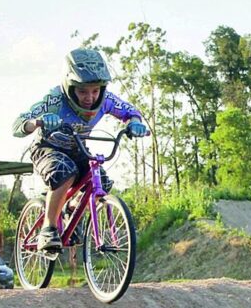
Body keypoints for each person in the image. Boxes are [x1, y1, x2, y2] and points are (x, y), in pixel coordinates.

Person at [12, 48, 149, 251]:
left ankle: (70, 208)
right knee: (64, 171)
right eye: (83, 91)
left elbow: (130, 111)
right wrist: (39, 122)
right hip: (47, 149)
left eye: (95, 91)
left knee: (100, 182)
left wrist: (135, 123)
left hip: (78, 150)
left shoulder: (106, 100)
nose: (90, 98)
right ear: (70, 87)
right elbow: (18, 125)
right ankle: (48, 229)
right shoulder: (55, 99)